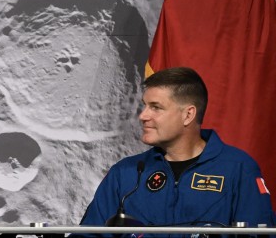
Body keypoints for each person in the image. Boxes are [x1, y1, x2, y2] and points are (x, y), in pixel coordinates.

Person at [81, 67, 274, 227]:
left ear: (188, 115)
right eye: (144, 106)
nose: (143, 116)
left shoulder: (238, 168)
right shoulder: (125, 173)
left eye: (156, 107)